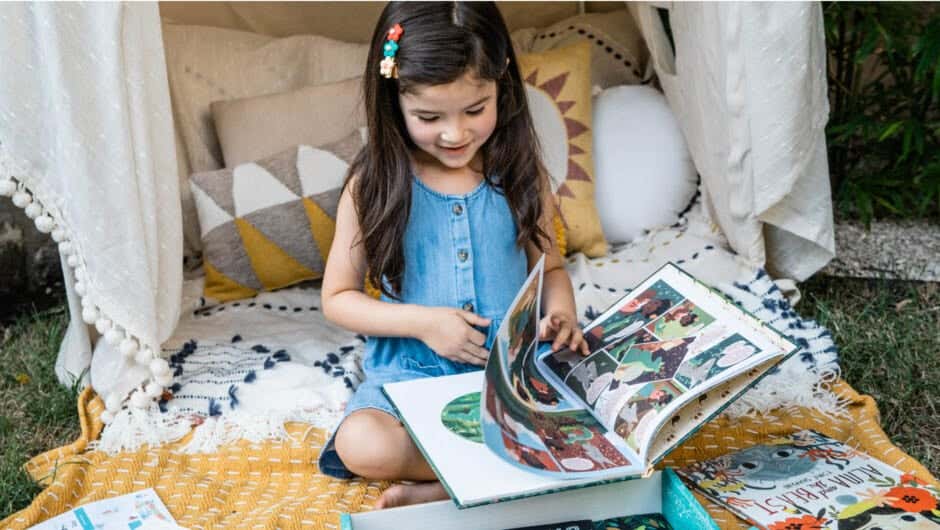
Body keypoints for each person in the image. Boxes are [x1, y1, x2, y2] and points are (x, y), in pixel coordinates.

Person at [317, 1, 591, 509]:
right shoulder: (372, 185)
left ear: (501, 84)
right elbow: (337, 298)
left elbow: (550, 268)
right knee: (362, 443)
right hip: (410, 376)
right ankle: (514, 471)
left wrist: (562, 313)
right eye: (428, 116)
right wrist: (424, 323)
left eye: (474, 110)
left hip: (508, 374)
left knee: (602, 416)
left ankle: (445, 489)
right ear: (393, 98)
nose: (455, 133)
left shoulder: (521, 174)